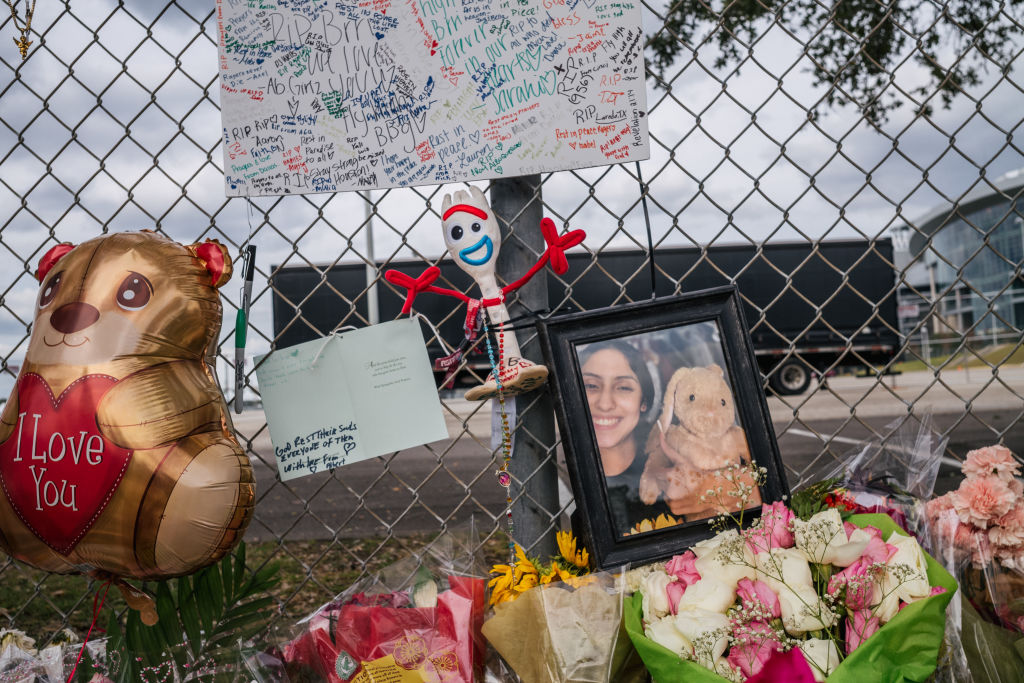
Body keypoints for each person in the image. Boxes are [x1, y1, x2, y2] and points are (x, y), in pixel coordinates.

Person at [579, 340, 671, 535]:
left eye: (623, 388)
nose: (605, 404)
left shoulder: (670, 469)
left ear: (644, 402)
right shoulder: (560, 478)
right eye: (591, 385)